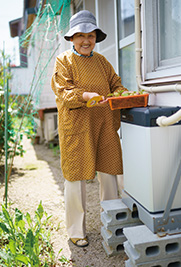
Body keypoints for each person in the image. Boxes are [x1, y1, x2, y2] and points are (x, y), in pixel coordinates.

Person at [51, 10, 126, 247]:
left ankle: (113, 224)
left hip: (104, 123)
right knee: (75, 177)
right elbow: (63, 92)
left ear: (96, 37)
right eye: (80, 35)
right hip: (77, 126)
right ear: (71, 38)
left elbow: (116, 85)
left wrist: (125, 95)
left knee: (110, 174)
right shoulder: (64, 60)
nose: (86, 41)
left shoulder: (102, 61)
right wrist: (86, 95)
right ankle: (76, 229)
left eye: (90, 35)